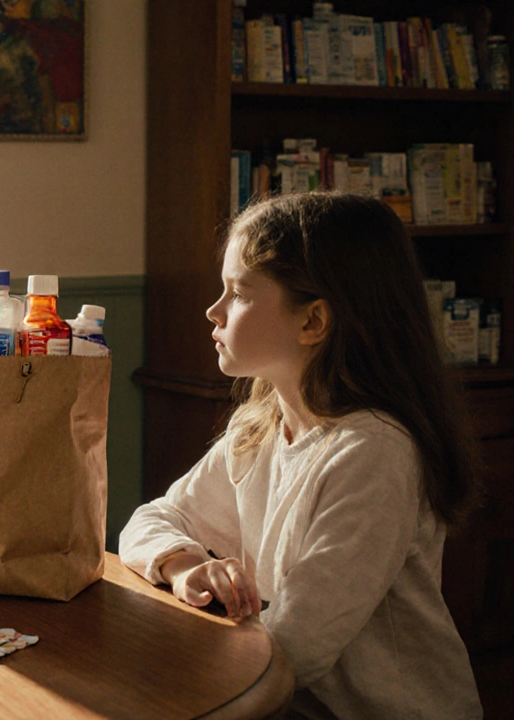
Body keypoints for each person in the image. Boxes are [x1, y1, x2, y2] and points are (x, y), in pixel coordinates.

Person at [119, 193, 483, 719]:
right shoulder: (262, 428)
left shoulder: (374, 453)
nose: (213, 310)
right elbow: (150, 520)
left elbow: (298, 644)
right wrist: (185, 566)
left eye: (238, 293)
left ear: (313, 322)